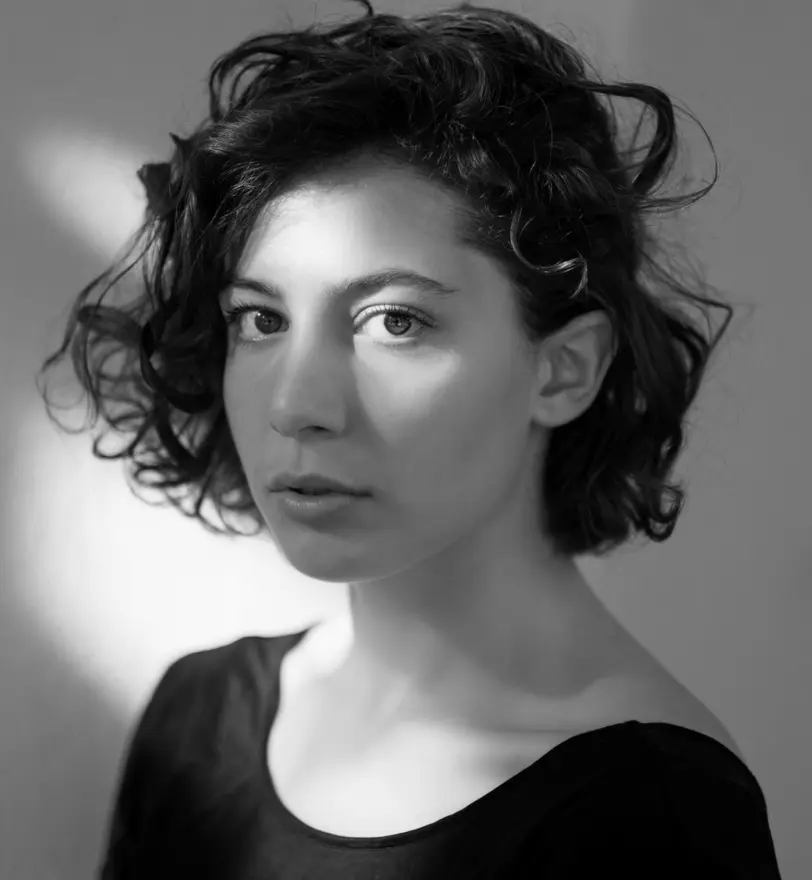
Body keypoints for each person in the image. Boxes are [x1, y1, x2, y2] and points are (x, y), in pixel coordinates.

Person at [37, 1, 783, 876]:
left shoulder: (655, 811)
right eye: (261, 319)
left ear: (564, 369)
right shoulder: (197, 717)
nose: (297, 405)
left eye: (395, 320)